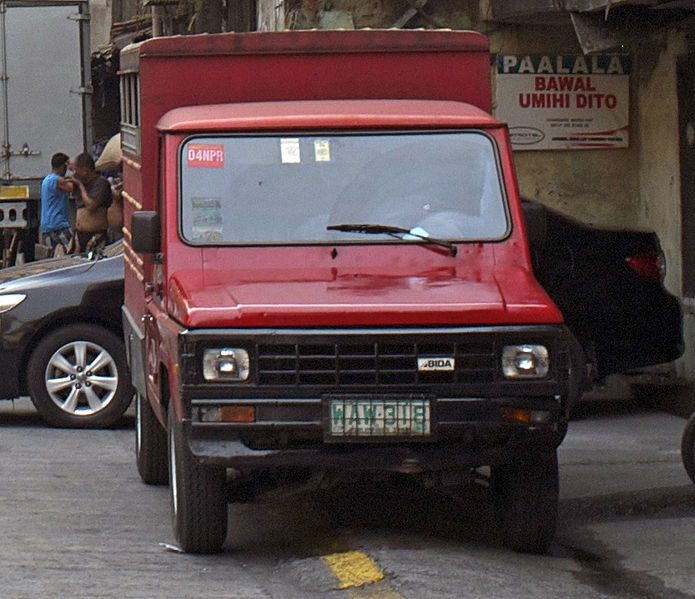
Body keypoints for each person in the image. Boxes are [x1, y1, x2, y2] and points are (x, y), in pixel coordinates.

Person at [70, 152, 112, 253]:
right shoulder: (81, 183)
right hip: (79, 235)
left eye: (76, 170)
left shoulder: (101, 183)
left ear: (85, 171)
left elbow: (90, 205)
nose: (74, 174)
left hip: (96, 235)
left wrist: (80, 185)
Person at [40, 152, 74, 255]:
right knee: (73, 250)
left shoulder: (46, 180)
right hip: (58, 224)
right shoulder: (58, 180)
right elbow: (73, 188)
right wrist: (74, 170)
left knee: (51, 257)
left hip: (46, 226)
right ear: (63, 166)